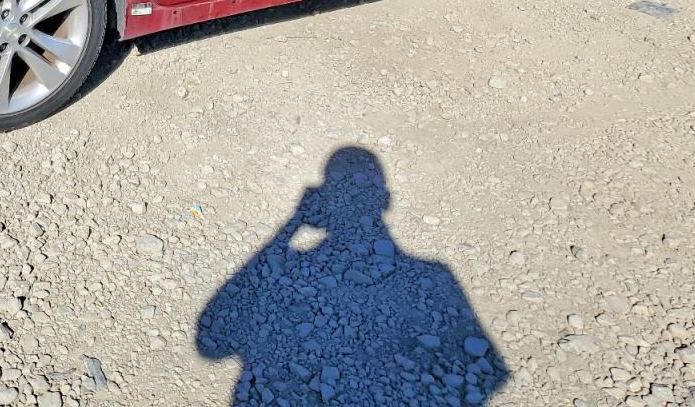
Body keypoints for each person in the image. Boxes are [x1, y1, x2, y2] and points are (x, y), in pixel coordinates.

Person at [197, 147, 507, 406]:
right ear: (385, 200)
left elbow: (212, 343)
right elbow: (488, 376)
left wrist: (292, 225)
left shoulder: (290, 271)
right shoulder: (435, 278)